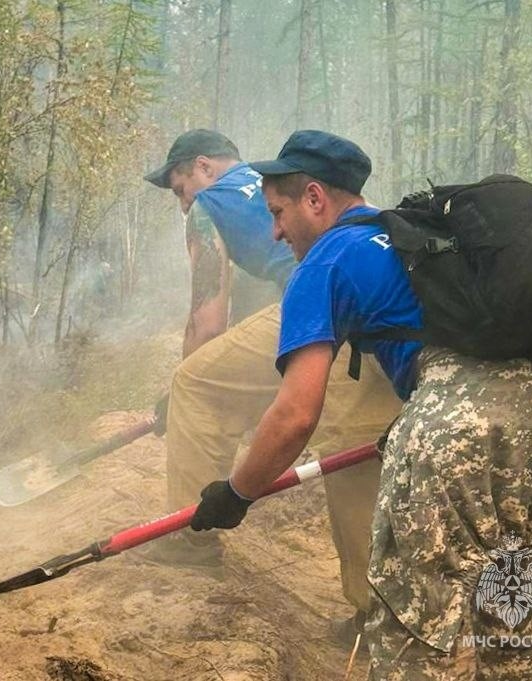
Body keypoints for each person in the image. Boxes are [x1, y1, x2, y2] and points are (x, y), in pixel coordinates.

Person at [188, 129, 532, 679]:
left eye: (279, 212)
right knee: (510, 609)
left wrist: (236, 492)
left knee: (412, 637)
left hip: (453, 419)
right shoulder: (405, 234)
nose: (276, 232)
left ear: (315, 198)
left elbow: (296, 414)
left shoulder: (325, 262)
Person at [142, 129, 402, 637]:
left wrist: (182, 391)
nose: (180, 203)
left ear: (203, 168)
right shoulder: (290, 195)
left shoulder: (208, 204)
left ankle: (189, 542)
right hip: (372, 317)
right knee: (354, 443)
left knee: (196, 383)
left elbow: (209, 317)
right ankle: (382, 611)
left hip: (322, 302)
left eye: (178, 188)